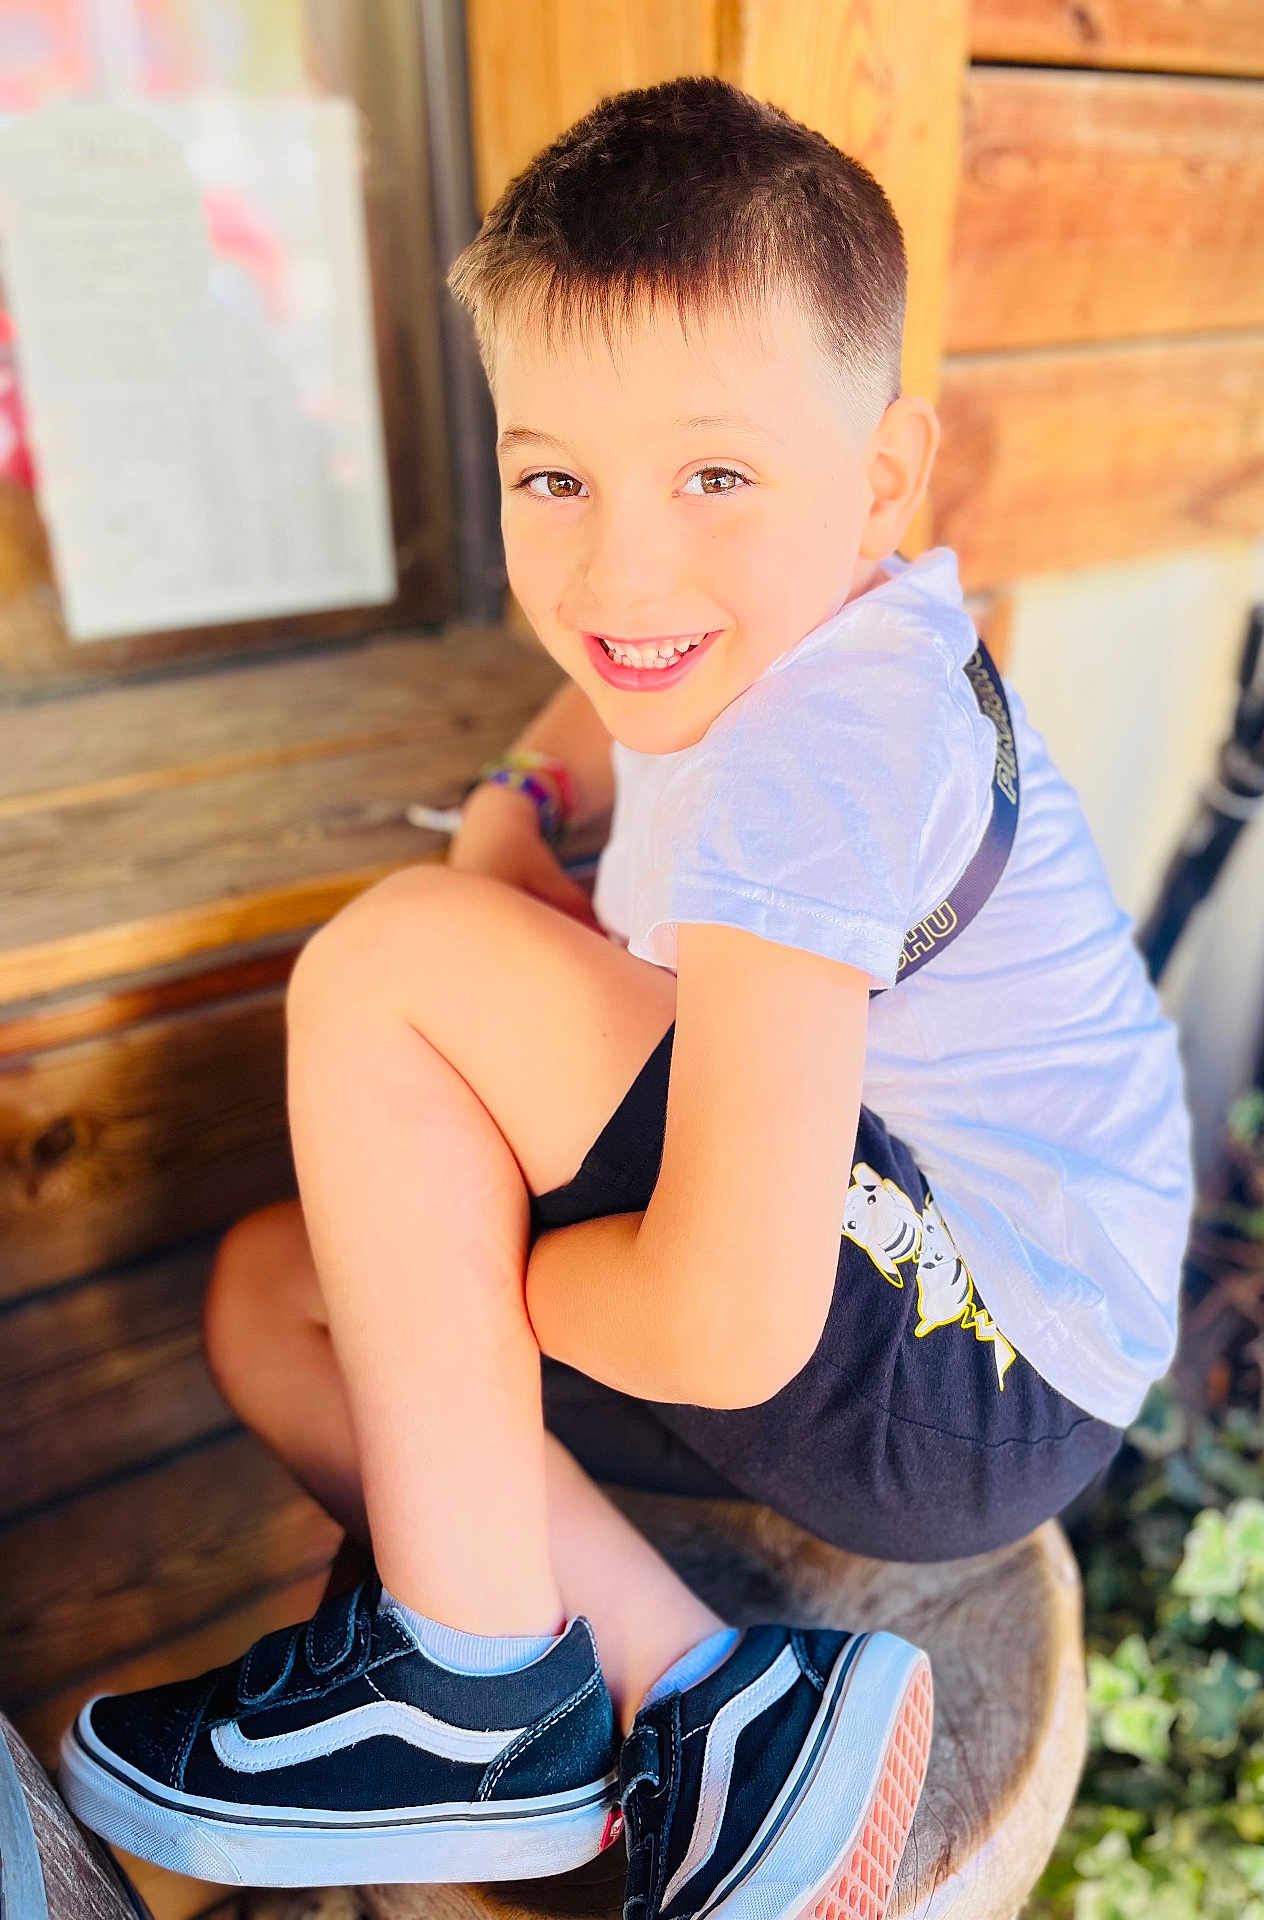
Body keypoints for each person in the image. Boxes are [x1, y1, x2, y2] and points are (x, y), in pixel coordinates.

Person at [56, 74, 1195, 1915]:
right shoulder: (772, 619)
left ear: (884, 478)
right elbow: (601, 694)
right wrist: (522, 813)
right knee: (290, 1297)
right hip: (924, 1302)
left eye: (714, 475)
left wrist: (491, 1276)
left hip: (982, 1358)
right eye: (552, 479)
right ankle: (720, 1704)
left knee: (390, 967)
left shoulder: (813, 765)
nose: (622, 566)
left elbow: (731, 1326)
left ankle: (467, 1692)